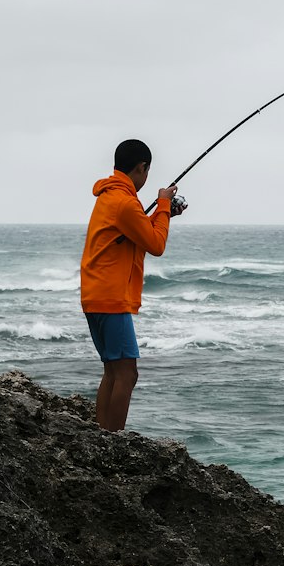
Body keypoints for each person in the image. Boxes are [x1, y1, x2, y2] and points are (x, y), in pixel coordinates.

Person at [80, 138, 183, 431]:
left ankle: (101, 434)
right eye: (146, 172)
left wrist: (163, 214)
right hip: (111, 297)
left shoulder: (109, 197)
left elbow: (137, 231)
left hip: (95, 294)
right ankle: (113, 440)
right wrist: (163, 203)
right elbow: (155, 244)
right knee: (127, 374)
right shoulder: (124, 202)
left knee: (113, 372)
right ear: (141, 168)